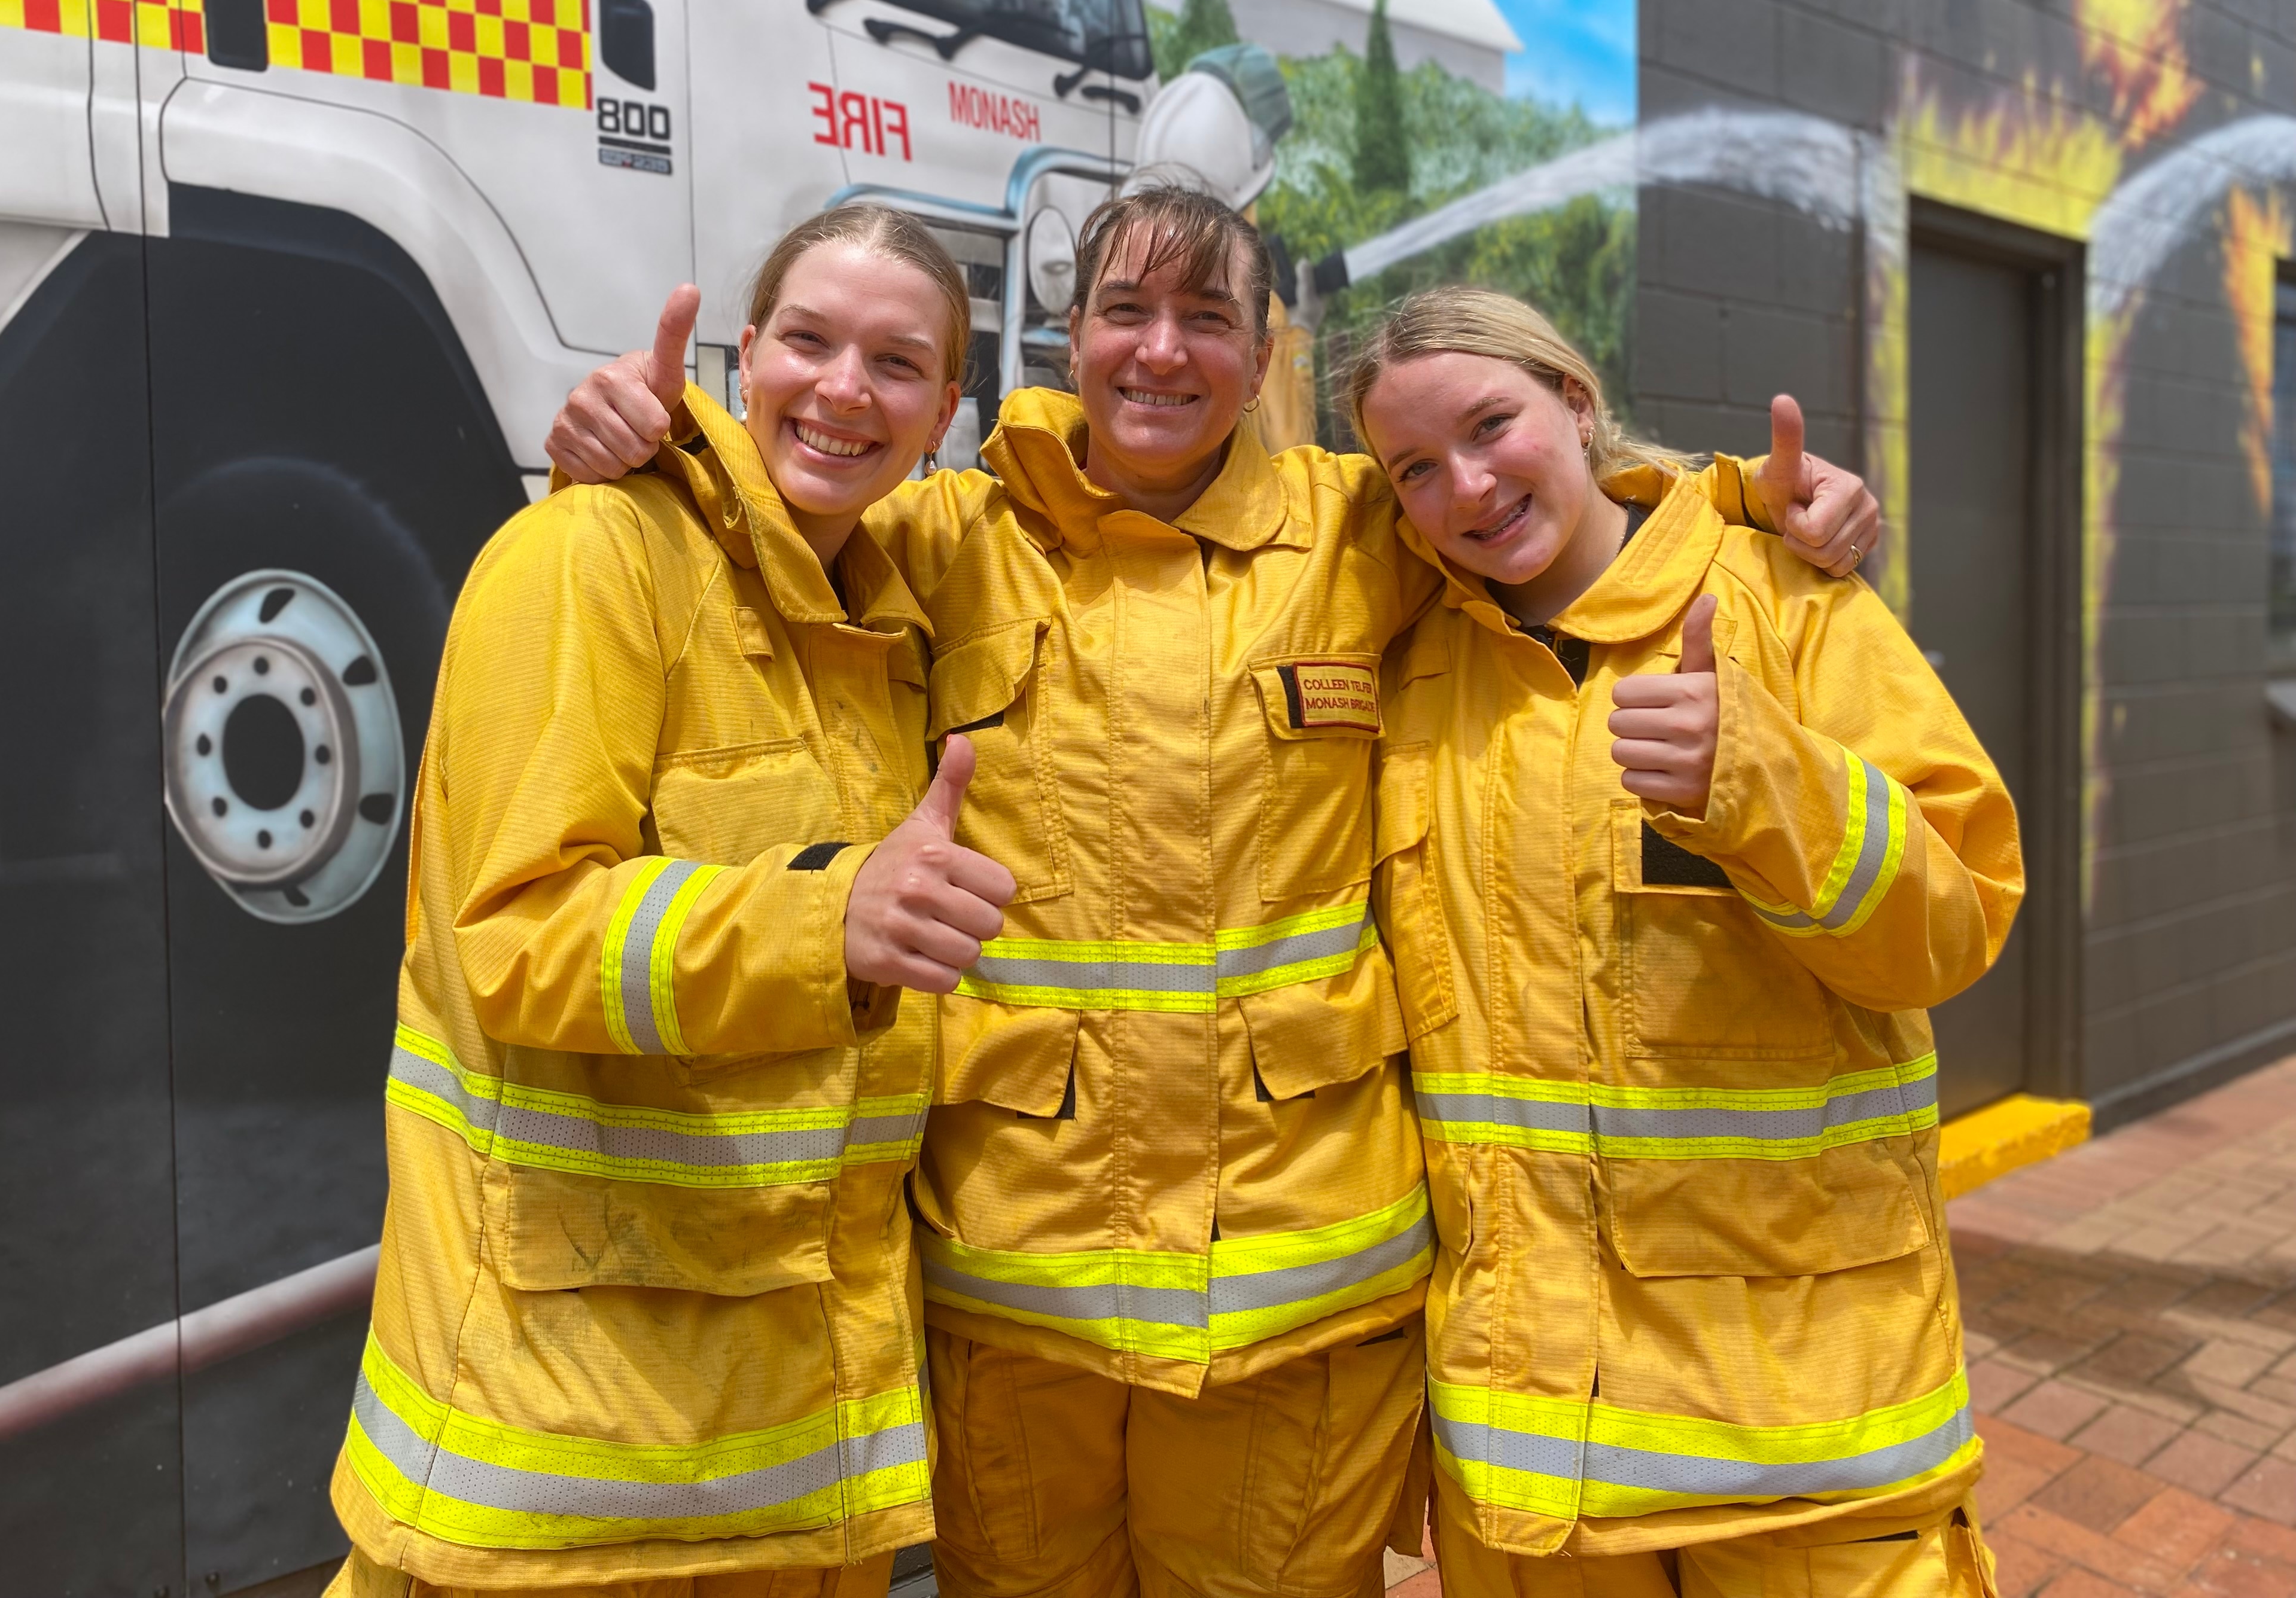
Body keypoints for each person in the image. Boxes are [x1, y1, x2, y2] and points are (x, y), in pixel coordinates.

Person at [543, 187, 1883, 1598]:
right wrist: (640, 449)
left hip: (1295, 1309)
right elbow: (773, 527)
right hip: (1018, 1295)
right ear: (1071, 338)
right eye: (1126, 312)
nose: (1162, 353)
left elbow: (1547, 498)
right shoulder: (947, 537)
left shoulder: (1369, 528)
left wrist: (1759, 507)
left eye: (1207, 319)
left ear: (1263, 353)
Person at [325, 206, 1021, 1598]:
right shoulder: (592, 558)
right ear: (738, 355)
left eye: (896, 363)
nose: (842, 390)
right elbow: (512, 936)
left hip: (791, 1448)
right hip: (567, 1452)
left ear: (949, 409)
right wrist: (825, 922)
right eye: (809, 342)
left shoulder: (888, 623)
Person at [1349, 289, 2020, 1598]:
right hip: (1534, 1462)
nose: (1467, 488)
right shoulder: (1407, 669)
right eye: (1414, 469)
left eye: (1495, 424)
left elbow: (1958, 919)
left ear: (1578, 404)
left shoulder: (1783, 597)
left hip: (1803, 1444)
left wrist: (1768, 783)